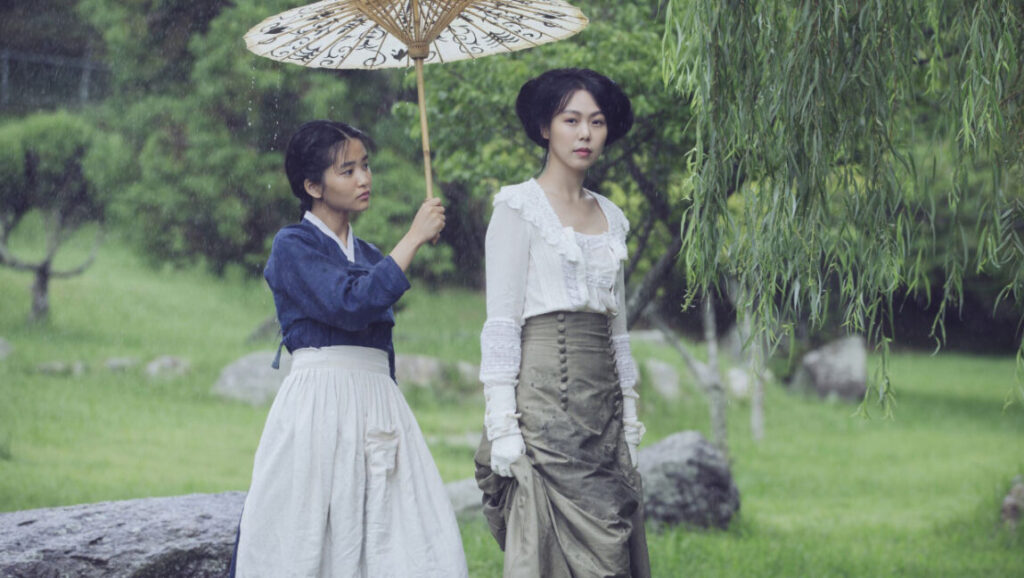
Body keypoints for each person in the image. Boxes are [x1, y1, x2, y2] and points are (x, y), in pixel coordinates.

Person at [231, 120, 468, 578]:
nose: (364, 179)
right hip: (320, 402)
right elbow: (351, 304)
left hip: (378, 403)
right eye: (347, 170)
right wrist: (414, 237)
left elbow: (380, 334)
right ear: (312, 185)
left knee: (401, 537)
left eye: (366, 166)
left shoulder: (372, 254)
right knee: (310, 537)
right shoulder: (292, 245)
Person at [474, 69, 651, 577]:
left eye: (596, 122)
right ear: (545, 128)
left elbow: (618, 329)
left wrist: (631, 415)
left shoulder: (613, 218)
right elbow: (502, 324)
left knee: (611, 538)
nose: (585, 134)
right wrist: (503, 424)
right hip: (543, 407)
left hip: (603, 410)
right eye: (571, 120)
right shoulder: (517, 208)